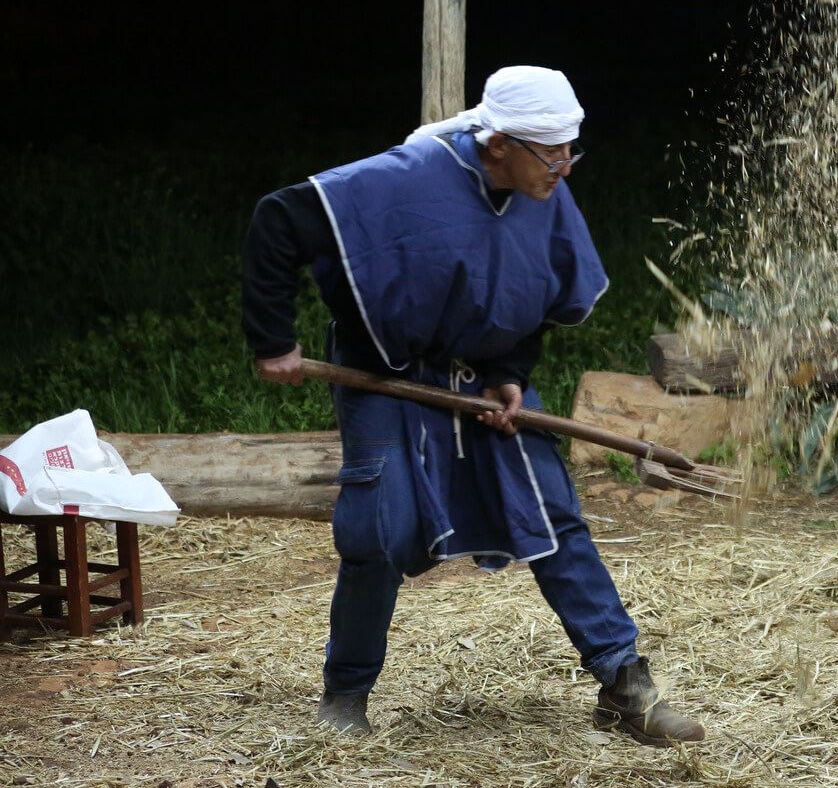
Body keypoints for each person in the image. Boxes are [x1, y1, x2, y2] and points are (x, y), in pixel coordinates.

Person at [240, 65, 704, 746]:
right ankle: (345, 696)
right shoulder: (405, 176)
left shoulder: (543, 186)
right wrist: (273, 339)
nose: (565, 167)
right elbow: (277, 220)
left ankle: (625, 685)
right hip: (385, 371)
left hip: (482, 375)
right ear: (498, 145)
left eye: (571, 150)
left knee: (553, 514)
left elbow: (541, 290)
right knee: (378, 530)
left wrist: (509, 373)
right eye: (552, 153)